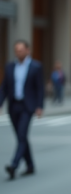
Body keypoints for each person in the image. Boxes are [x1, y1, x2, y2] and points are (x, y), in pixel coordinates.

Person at [0, 40, 44, 180]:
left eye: (21, 49)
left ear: (27, 50)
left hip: (27, 106)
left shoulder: (36, 67)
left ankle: (14, 165)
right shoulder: (10, 67)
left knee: (22, 134)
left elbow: (40, 88)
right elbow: (5, 87)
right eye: (16, 50)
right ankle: (30, 165)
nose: (18, 52)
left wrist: (39, 106)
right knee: (21, 137)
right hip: (13, 106)